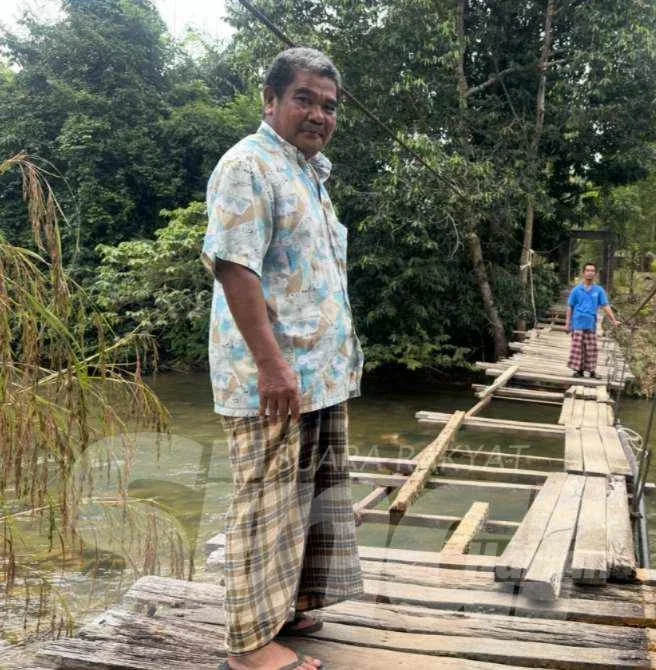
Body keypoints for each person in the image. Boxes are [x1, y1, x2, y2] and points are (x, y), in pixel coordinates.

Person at [202, 47, 364, 670]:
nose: (319, 114)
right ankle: (248, 649)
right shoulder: (248, 165)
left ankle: (287, 607)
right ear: (270, 100)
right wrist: (272, 365)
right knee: (263, 506)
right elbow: (234, 267)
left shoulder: (309, 172)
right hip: (270, 379)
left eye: (328, 105)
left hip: (318, 376)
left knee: (307, 500)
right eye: (305, 98)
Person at [565, 262, 620, 378]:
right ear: (583, 273)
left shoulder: (599, 290)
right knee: (577, 348)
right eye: (588, 270)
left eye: (592, 271)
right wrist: (567, 324)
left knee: (591, 348)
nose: (590, 273)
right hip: (577, 323)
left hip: (591, 324)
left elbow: (605, 305)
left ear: (595, 274)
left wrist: (613, 320)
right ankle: (578, 370)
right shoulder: (576, 290)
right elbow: (570, 306)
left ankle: (591, 371)